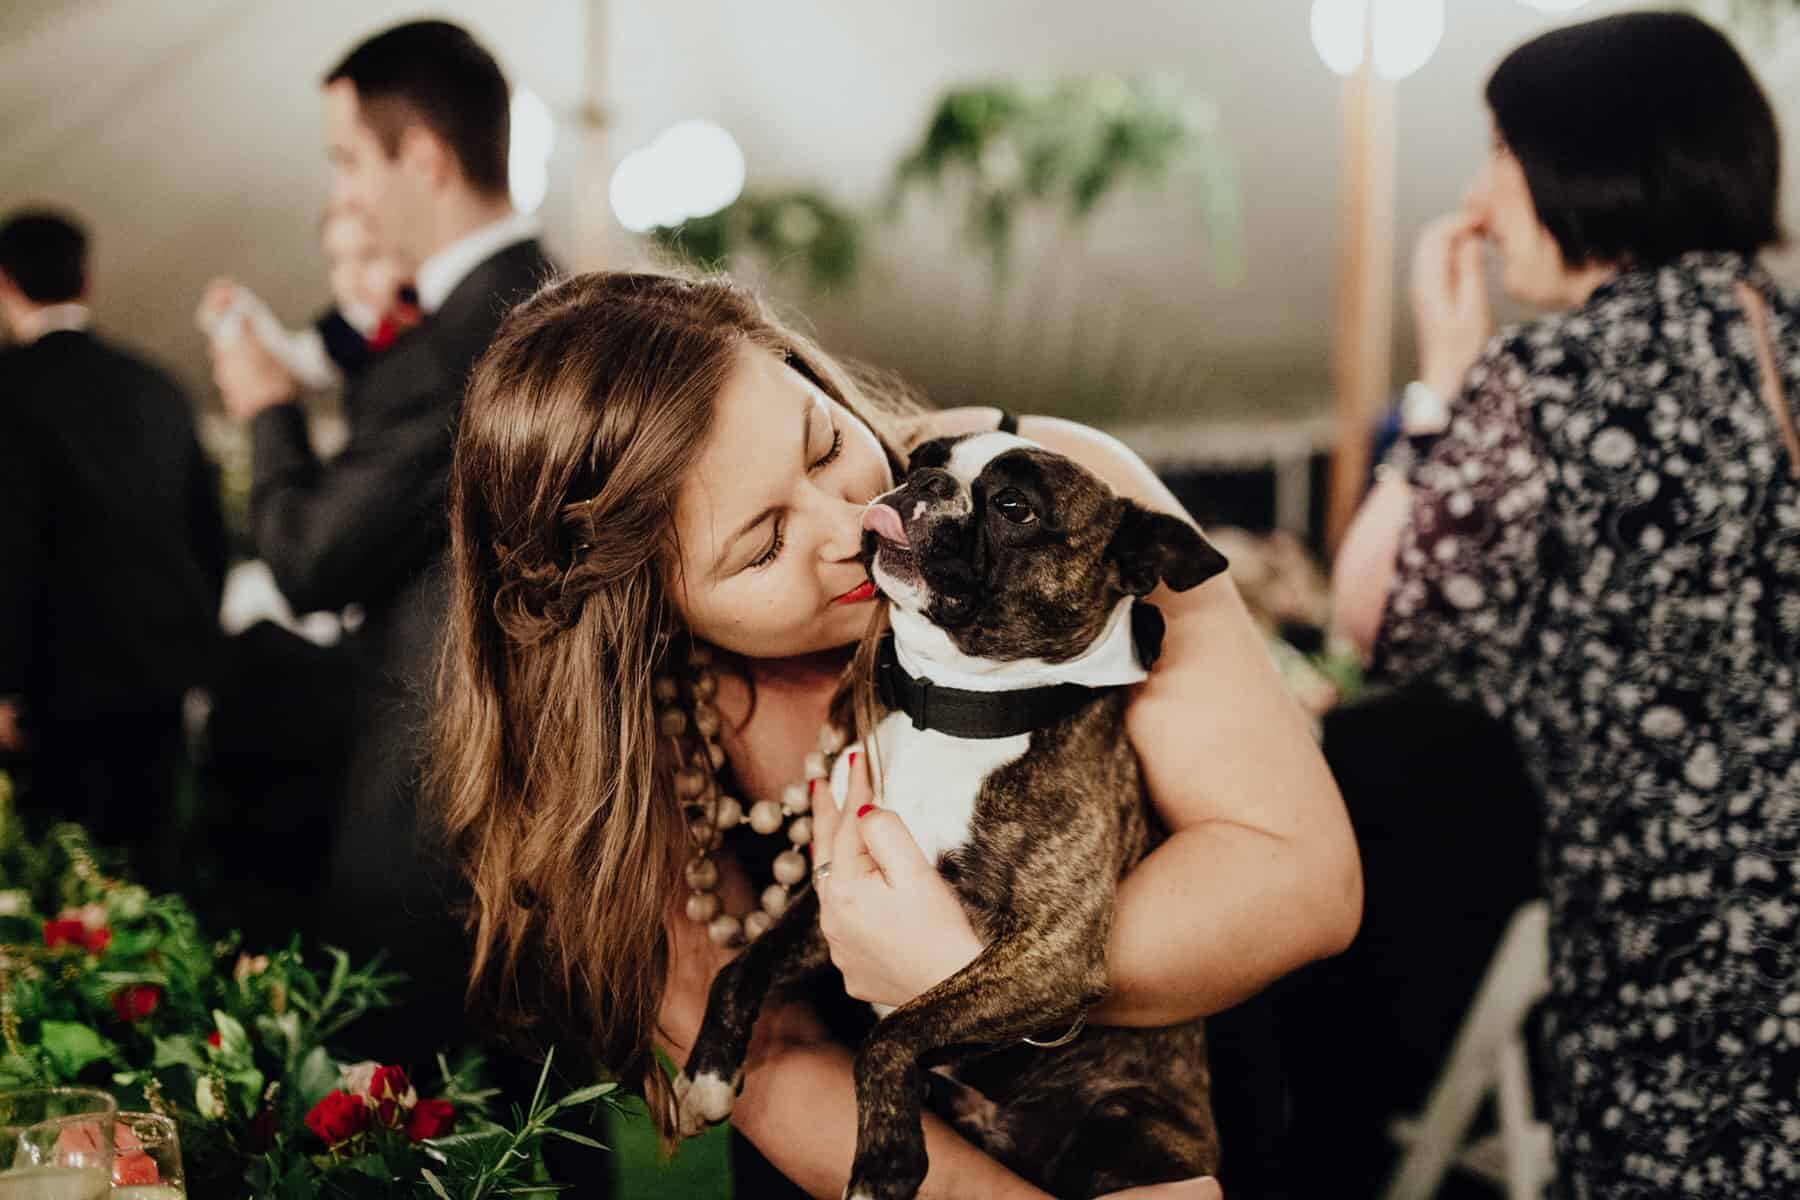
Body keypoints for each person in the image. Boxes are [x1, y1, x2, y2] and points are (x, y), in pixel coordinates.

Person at [430, 270, 1361, 1198]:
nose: (852, 524)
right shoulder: (633, 747)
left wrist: (974, 974)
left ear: (807, 369)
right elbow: (776, 1058)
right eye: (762, 547)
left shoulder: (1055, 502)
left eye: (825, 443)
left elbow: (1302, 877)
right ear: (646, 619)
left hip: (1168, 1126)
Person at [1333, 12, 1800, 1197]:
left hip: (1668, 994)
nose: (1483, 193)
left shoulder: (1547, 381)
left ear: (1591, 157)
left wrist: (1439, 381)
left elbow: (1376, 623)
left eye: (1499, 148)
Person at [209, 19, 555, 1070]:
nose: (346, 195)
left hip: (441, 824)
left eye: (350, 160)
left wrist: (267, 410)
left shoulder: (481, 332)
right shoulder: (519, 306)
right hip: (498, 819)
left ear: (423, 157)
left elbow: (313, 557)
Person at [0, 209, 227, 877]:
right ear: (87, 279)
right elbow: (207, 538)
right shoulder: (158, 389)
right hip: (155, 681)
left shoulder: (7, 389)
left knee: (55, 890)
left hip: (49, 689)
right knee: (146, 879)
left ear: (6, 283)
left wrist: (4, 683)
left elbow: (8, 544)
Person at [199, 206, 421, 391]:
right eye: (337, 261)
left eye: (368, 255)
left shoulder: (439, 311)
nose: (350, 276)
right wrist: (244, 308)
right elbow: (294, 358)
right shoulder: (345, 325)